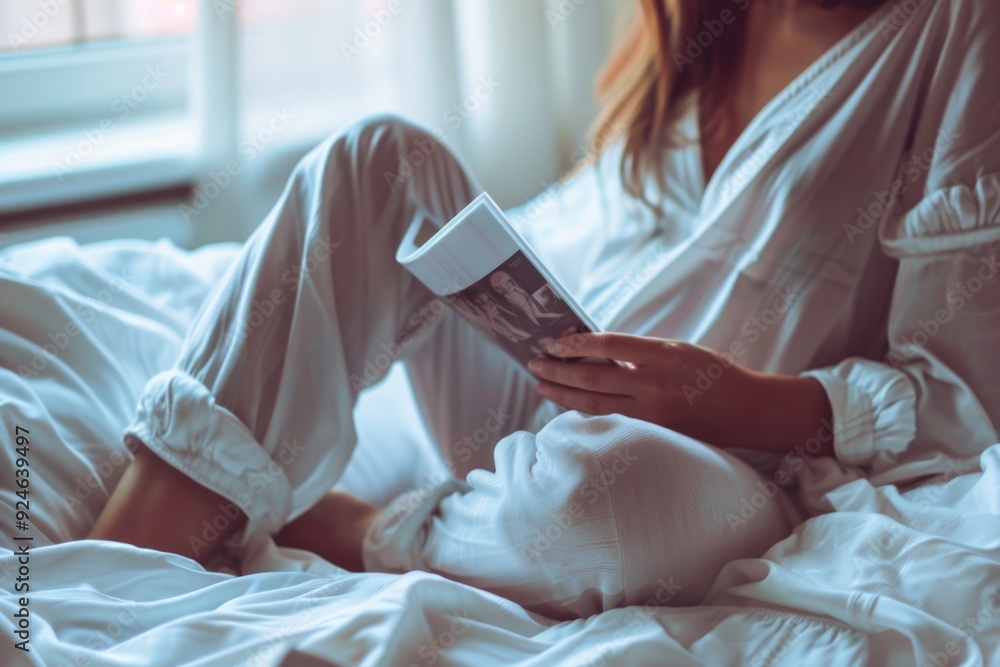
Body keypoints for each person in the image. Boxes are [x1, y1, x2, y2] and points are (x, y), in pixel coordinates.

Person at [88, 0, 1000, 620]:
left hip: (727, 458)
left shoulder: (962, 31)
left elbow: (965, 389)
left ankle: (359, 527)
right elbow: (605, 222)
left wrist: (730, 396)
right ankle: (99, 587)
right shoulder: (701, 22)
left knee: (638, 503)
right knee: (378, 159)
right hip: (555, 387)